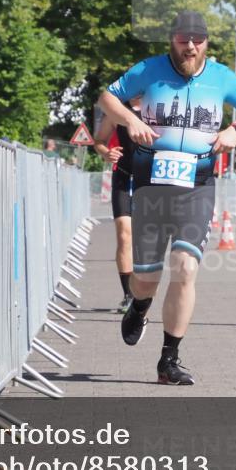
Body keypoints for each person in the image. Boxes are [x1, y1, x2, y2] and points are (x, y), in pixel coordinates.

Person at [97, 10, 236, 385]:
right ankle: (139, 306)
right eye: (183, 39)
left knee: (186, 267)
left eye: (198, 40)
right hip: (151, 184)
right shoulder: (148, 69)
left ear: (206, 42)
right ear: (171, 38)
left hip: (198, 183)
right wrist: (130, 120)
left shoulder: (221, 76)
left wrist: (235, 129)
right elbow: (107, 98)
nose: (190, 47)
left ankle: (168, 360)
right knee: (147, 279)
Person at [93, 100, 140, 314]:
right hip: (123, 177)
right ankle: (128, 294)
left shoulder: (159, 106)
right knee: (124, 235)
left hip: (150, 180)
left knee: (145, 239)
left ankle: (143, 290)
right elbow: (99, 141)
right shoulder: (116, 111)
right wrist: (106, 153)